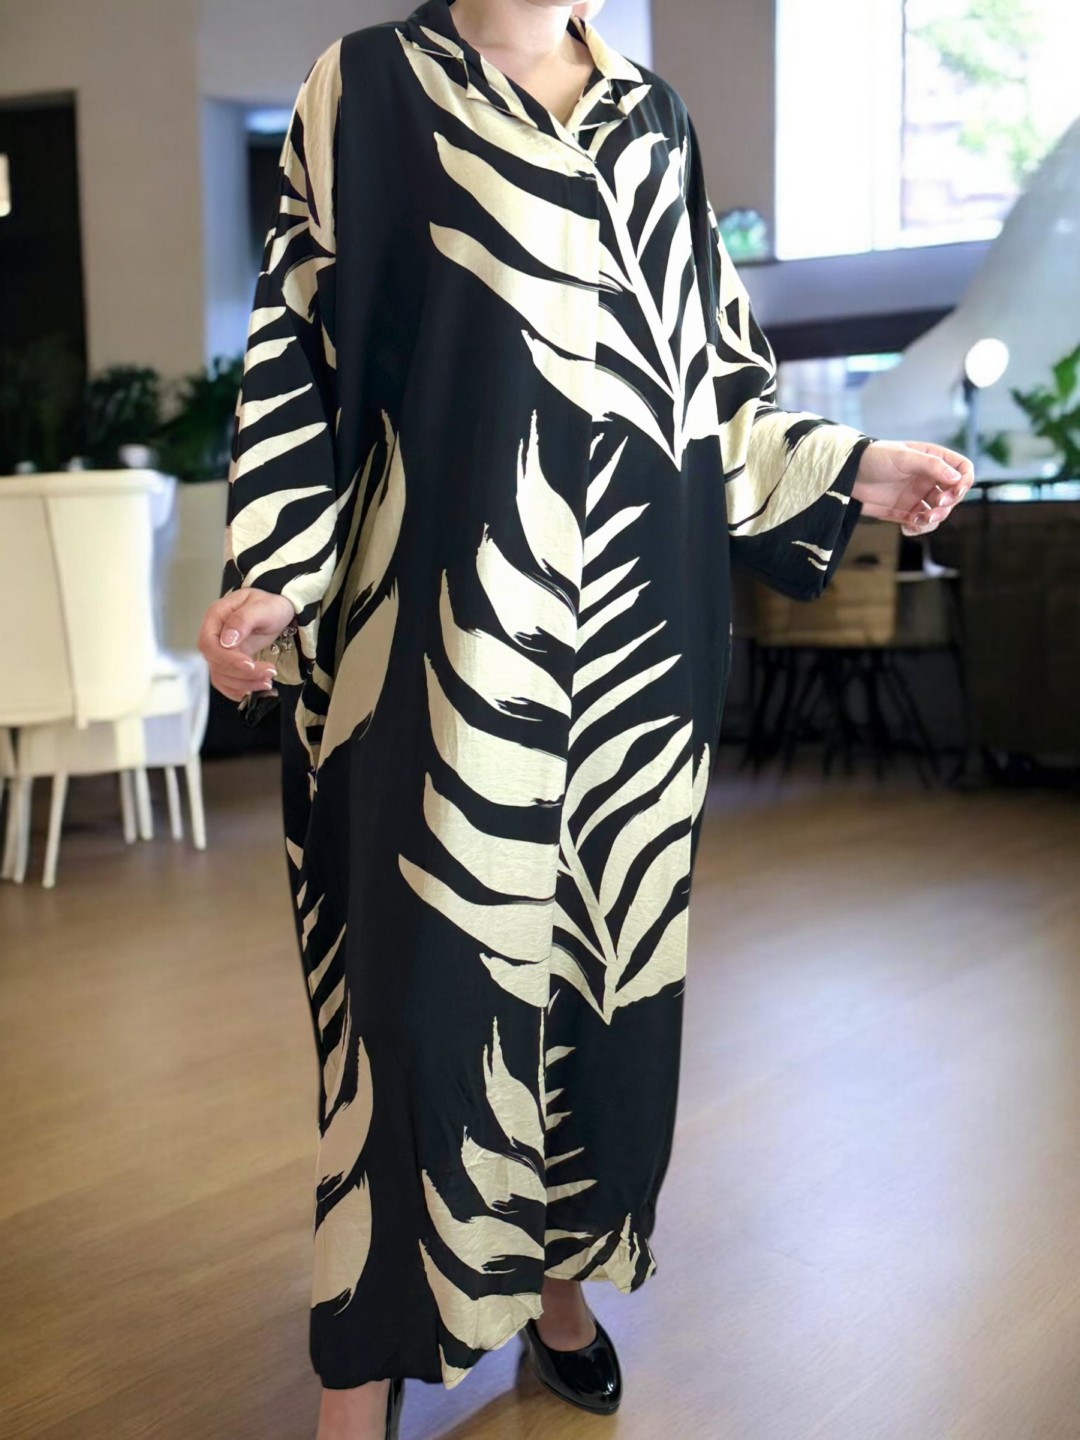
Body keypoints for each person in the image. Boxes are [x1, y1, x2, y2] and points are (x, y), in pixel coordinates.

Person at [197, 2, 972, 1435]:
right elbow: (296, 346)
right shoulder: (365, 88)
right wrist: (275, 573)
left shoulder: (653, 120)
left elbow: (712, 384)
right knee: (416, 991)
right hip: (435, 634)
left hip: (638, 644)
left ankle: (561, 1295)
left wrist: (854, 467)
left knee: (606, 984)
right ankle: (363, 1362)